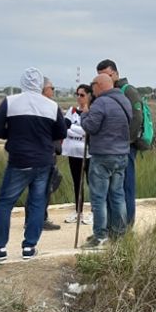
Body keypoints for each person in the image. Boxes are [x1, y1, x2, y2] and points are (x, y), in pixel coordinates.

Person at [0, 68, 67, 263]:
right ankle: (29, 247)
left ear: (22, 83)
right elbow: (61, 132)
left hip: (18, 160)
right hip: (43, 161)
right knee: (37, 204)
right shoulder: (51, 106)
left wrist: (12, 136)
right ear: (40, 85)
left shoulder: (10, 102)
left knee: (5, 203)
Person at [81, 74, 133, 248]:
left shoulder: (100, 103)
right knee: (118, 195)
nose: (92, 89)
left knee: (99, 197)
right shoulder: (124, 101)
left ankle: (100, 236)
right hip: (122, 155)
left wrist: (84, 114)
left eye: (93, 85)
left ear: (100, 85)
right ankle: (119, 233)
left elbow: (90, 127)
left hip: (103, 156)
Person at [96, 60, 143, 227]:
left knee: (126, 186)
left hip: (126, 147)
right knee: (112, 189)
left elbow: (137, 118)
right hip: (113, 148)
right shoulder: (105, 94)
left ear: (115, 73)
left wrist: (126, 141)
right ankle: (113, 225)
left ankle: (127, 225)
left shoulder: (128, 91)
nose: (105, 78)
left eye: (107, 75)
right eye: (101, 76)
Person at [63, 84, 92, 225]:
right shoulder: (72, 111)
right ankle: (78, 211)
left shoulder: (93, 111)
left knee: (91, 182)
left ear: (88, 96)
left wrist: (73, 129)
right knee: (77, 182)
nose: (79, 98)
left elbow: (88, 131)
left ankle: (94, 212)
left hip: (89, 153)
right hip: (74, 153)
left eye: (82, 95)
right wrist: (78, 129)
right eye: (77, 94)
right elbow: (64, 127)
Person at [40, 77, 62, 231]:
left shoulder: (30, 106)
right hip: (47, 153)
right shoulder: (50, 107)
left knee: (40, 186)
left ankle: (37, 217)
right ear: (44, 89)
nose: (53, 91)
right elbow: (59, 131)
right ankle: (40, 218)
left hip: (33, 153)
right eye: (52, 88)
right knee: (44, 187)